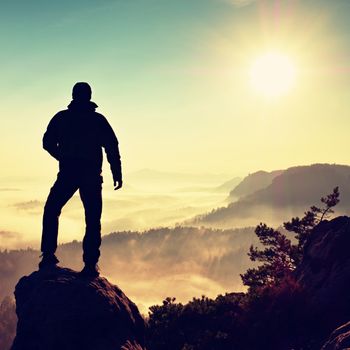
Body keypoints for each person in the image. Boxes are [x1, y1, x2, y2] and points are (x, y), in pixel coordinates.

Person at [39, 82, 122, 277]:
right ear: (89, 96)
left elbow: (47, 142)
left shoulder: (62, 118)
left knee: (52, 210)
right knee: (92, 219)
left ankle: (48, 255)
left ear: (74, 95)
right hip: (91, 175)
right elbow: (112, 147)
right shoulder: (98, 120)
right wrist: (116, 172)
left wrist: (62, 156)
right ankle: (91, 264)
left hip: (68, 172)